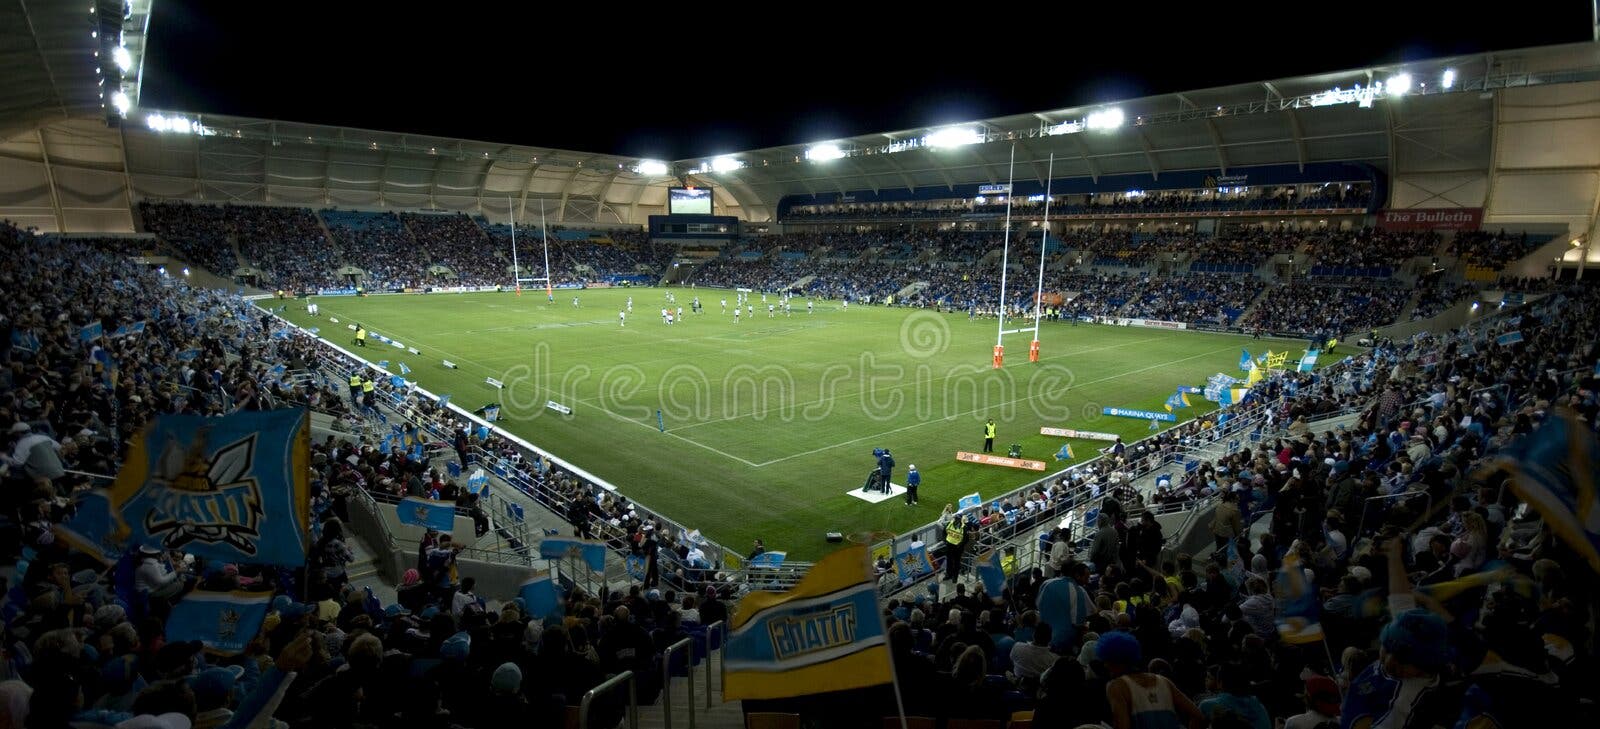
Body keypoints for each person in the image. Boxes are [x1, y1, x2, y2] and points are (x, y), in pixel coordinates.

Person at [1099, 631, 1203, 729]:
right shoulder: (1163, 681)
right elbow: (1197, 715)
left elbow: (1123, 726)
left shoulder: (1116, 686)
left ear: (1115, 661)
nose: (1105, 665)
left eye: (1107, 661)